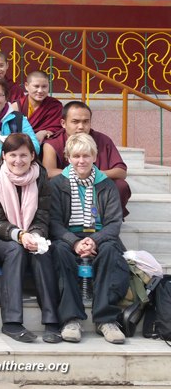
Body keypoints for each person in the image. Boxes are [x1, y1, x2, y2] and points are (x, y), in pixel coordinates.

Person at [49, 133, 131, 345]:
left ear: (95, 156)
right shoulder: (58, 184)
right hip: (69, 237)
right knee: (58, 251)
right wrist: (74, 242)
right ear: (68, 157)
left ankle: (106, 320)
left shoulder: (107, 185)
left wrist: (95, 240)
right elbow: (54, 223)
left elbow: (114, 222)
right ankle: (71, 319)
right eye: (76, 156)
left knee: (111, 251)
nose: (81, 161)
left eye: (86, 155)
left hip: (100, 236)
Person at [0, 133, 61, 343]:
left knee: (42, 249)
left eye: (24, 155)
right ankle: (11, 322)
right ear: (4, 156)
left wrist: (34, 235)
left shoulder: (41, 179)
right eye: (13, 155)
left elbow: (43, 216)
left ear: (33, 156)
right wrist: (19, 235)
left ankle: (52, 321)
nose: (18, 161)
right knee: (15, 249)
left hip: (30, 234)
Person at [43, 101, 131, 218]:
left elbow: (121, 172)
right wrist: (78, 175)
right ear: (63, 123)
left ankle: (109, 220)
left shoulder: (103, 140)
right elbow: (48, 172)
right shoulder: (53, 143)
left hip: (97, 184)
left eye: (86, 122)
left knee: (121, 185)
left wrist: (94, 175)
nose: (81, 127)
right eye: (75, 122)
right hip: (68, 186)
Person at [17, 70, 63, 145]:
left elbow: (59, 128)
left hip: (44, 144)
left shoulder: (55, 106)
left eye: (44, 86)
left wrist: (45, 132)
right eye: (36, 86)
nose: (40, 91)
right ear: (26, 86)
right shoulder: (17, 106)